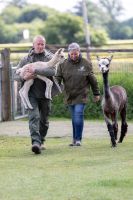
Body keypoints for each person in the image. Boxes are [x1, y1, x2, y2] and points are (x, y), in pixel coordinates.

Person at [14, 35, 61, 154]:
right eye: (38, 44)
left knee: (44, 120)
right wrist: (23, 77)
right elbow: (15, 75)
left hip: (45, 94)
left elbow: (52, 71)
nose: (40, 46)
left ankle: (42, 139)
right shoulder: (26, 59)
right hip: (31, 94)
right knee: (34, 117)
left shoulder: (49, 57)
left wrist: (35, 71)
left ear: (44, 45)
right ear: (33, 45)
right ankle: (35, 143)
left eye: (42, 44)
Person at [56, 42, 100, 146]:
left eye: (76, 53)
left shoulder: (86, 63)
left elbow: (93, 80)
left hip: (81, 95)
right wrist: (55, 89)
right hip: (69, 95)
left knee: (78, 115)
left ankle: (78, 139)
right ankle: (74, 139)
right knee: (74, 118)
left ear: (79, 52)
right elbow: (58, 78)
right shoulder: (63, 64)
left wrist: (96, 93)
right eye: (72, 54)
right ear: (69, 53)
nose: (74, 56)